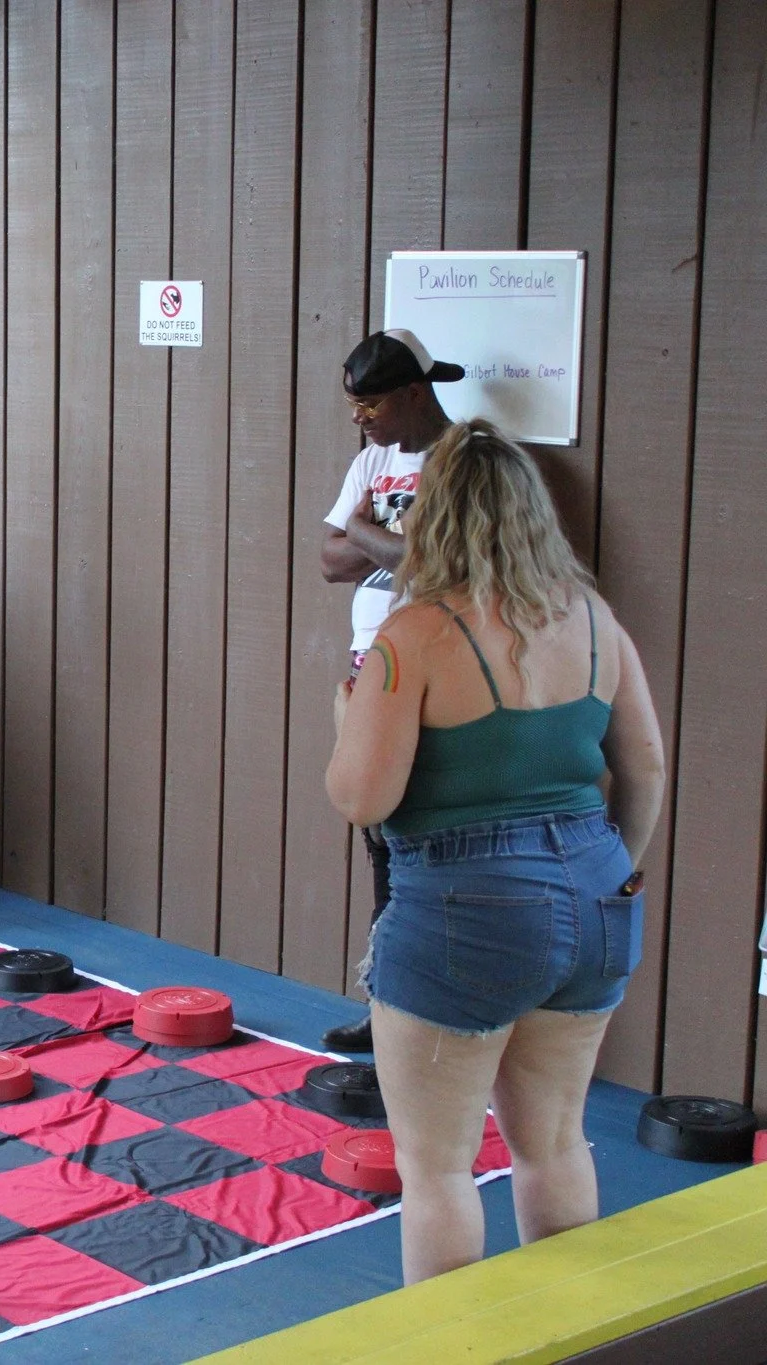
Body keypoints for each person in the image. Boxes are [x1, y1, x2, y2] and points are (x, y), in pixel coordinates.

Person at [326, 419, 665, 1285]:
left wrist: (346, 714)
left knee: (439, 1170)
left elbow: (361, 797)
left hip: (462, 904)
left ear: (431, 518)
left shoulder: (414, 636)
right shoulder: (593, 619)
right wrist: (605, 869)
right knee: (553, 1143)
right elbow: (646, 766)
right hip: (598, 893)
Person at [317, 328, 460, 1053]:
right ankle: (387, 1007)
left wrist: (367, 527)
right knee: (378, 832)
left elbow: (431, 565)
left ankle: (427, 1012)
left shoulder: (461, 461)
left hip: (430, 663)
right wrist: (383, 540)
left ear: (412, 393)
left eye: (370, 404)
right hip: (364, 661)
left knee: (423, 836)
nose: (359, 419)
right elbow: (329, 559)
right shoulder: (370, 458)